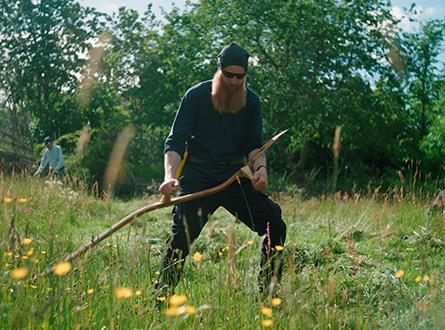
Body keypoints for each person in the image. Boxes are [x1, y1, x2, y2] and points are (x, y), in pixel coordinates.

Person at [155, 43, 286, 300]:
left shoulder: (252, 102)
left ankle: (268, 296)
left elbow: (253, 146)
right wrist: (170, 176)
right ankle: (161, 298)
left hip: (233, 178)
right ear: (219, 71)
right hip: (199, 178)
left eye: (240, 76)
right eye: (229, 75)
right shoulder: (196, 96)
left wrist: (260, 169)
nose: (234, 81)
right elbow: (175, 141)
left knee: (275, 224)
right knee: (181, 240)